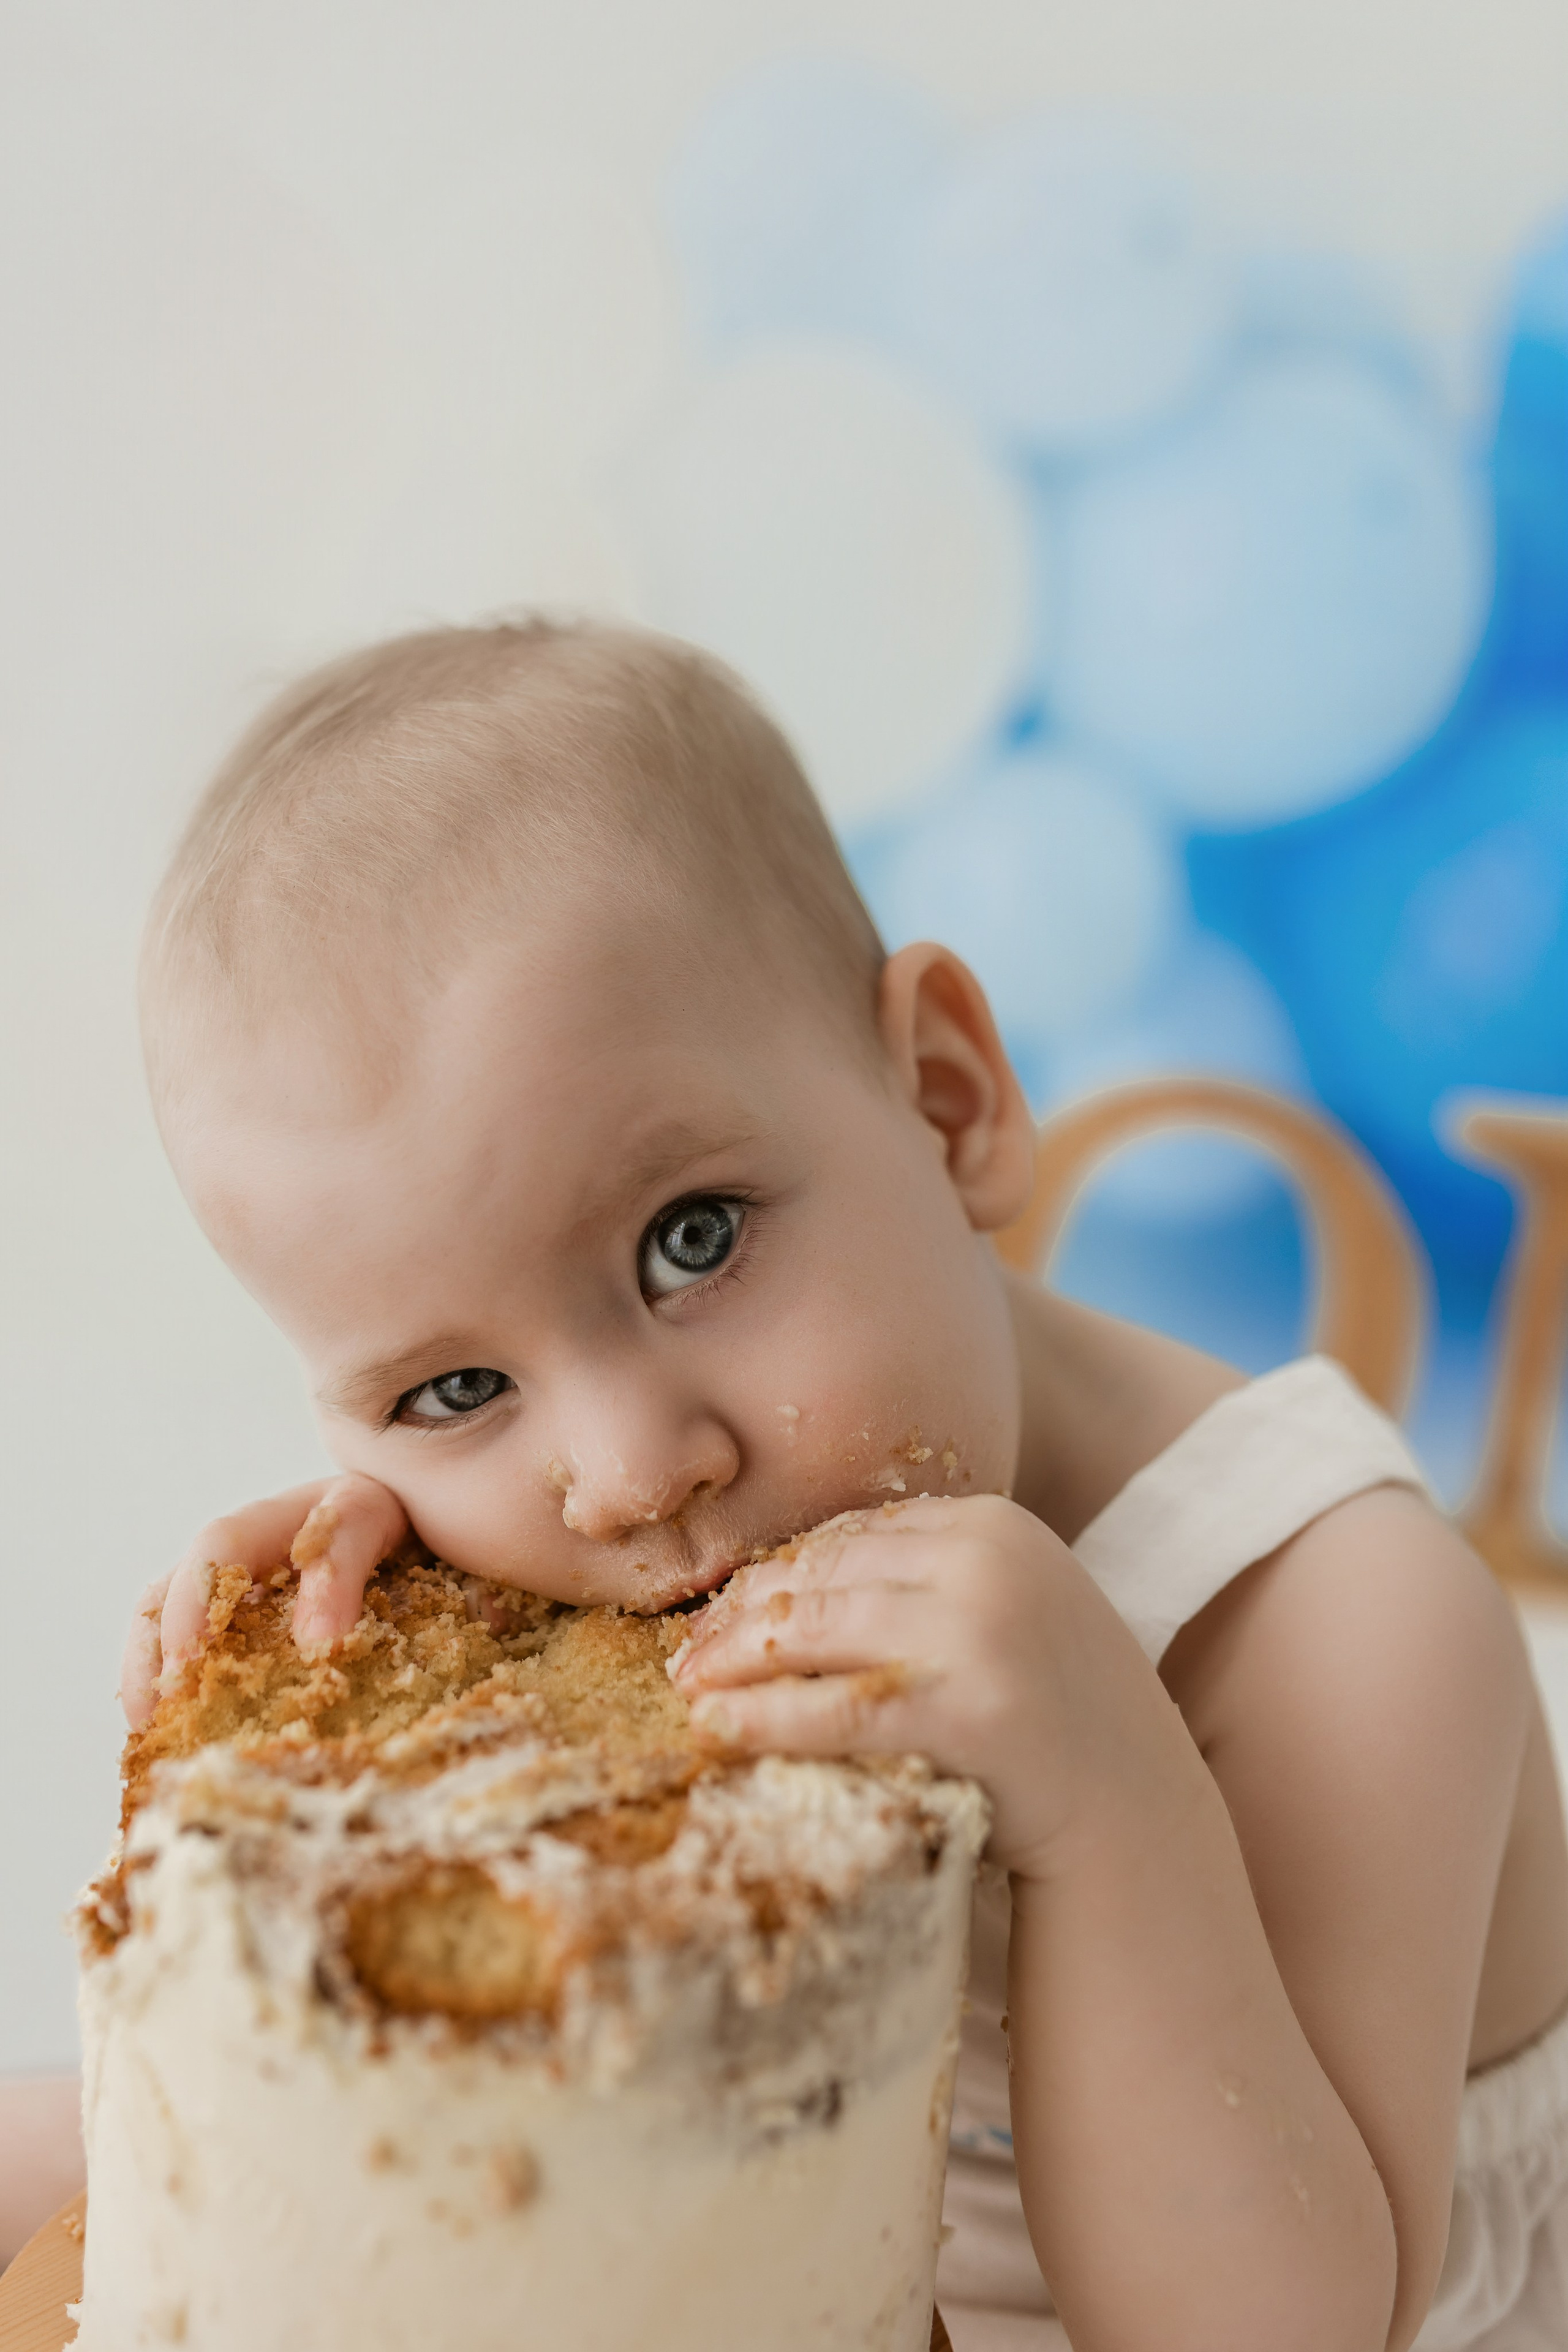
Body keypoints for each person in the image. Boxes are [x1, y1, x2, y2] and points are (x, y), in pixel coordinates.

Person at [15, 619, 1568, 2346]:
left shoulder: (1339, 1618)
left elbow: (1290, 2331)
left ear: (946, 1093)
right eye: (454, 1388)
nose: (626, 1476)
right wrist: (383, 1674)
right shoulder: (642, 1531)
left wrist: (1114, 1802)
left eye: (691, 1245)